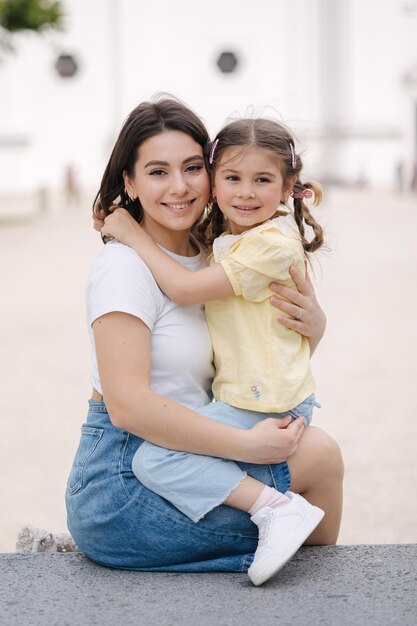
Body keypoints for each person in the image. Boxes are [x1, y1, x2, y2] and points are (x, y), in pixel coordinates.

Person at [65, 96, 343, 578]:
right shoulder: (124, 268)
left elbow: (261, 354)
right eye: (157, 172)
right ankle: (318, 586)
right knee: (318, 456)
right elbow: (127, 407)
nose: (179, 186)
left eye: (192, 167)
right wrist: (248, 448)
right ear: (129, 183)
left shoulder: (217, 252)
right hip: (125, 477)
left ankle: (313, 587)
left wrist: (315, 327)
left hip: (192, 447)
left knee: (317, 458)